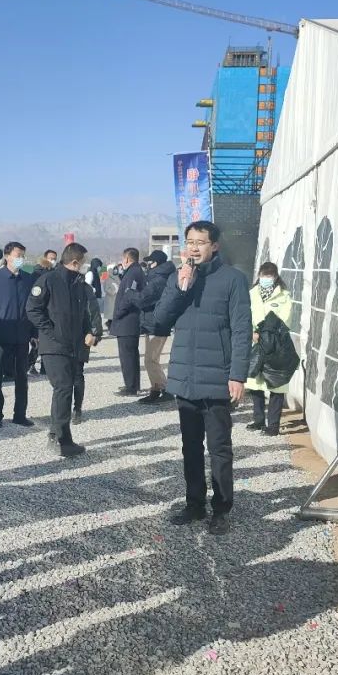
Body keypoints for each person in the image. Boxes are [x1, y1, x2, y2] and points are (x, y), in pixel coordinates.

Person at [154, 221, 251, 536]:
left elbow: (242, 329)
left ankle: (221, 508)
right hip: (185, 376)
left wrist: (237, 374)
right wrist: (181, 287)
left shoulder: (233, 280)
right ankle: (194, 503)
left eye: (201, 242)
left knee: (220, 448)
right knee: (190, 446)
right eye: (190, 242)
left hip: (217, 378)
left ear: (215, 246)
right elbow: (160, 320)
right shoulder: (178, 278)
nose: (194, 248)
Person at [26, 242, 94, 457]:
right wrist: (52, 332)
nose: (84, 266)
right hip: (54, 346)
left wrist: (89, 331)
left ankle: (60, 436)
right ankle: (60, 438)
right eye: (83, 262)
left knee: (66, 389)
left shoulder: (78, 284)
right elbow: (33, 309)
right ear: (74, 262)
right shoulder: (49, 280)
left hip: (73, 346)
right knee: (63, 388)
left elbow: (83, 314)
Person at [0, 241, 36, 428]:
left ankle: (19, 415)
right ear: (7, 256)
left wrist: (34, 332)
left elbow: (32, 309)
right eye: (17, 255)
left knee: (22, 377)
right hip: (0, 337)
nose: (20, 259)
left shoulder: (28, 279)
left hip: (22, 337)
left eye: (23, 256)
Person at [247, 262, 293, 436]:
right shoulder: (252, 294)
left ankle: (273, 425)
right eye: (264, 276)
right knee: (255, 383)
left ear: (275, 277)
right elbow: (245, 315)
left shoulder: (284, 296)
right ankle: (258, 420)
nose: (266, 279)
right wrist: (252, 332)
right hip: (256, 343)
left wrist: (267, 333)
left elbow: (285, 319)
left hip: (276, 344)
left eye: (270, 276)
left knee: (276, 384)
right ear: (259, 276)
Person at [130, 250, 177, 405]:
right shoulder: (160, 277)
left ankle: (162, 389)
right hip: (153, 323)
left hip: (156, 324)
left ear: (157, 263)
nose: (148, 264)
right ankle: (158, 388)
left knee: (150, 360)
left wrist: (130, 293)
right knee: (151, 359)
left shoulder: (158, 280)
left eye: (151, 262)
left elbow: (142, 299)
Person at [110, 247, 146, 396]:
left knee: (128, 356)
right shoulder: (134, 271)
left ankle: (131, 387)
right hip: (128, 320)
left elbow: (129, 297)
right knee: (130, 355)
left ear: (126, 259)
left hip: (127, 320)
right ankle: (132, 384)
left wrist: (118, 312)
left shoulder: (133, 273)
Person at [72, 269, 104, 424]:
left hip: (81, 335)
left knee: (77, 373)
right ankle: (63, 409)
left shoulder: (84, 288)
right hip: (61, 336)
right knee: (63, 377)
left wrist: (95, 333)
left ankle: (77, 409)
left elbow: (93, 310)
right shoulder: (56, 284)